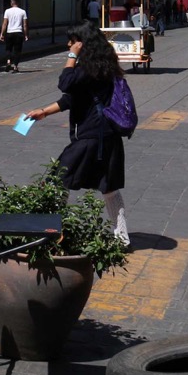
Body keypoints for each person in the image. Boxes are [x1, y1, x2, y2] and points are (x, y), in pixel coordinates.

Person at [24, 24, 129, 246]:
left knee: (57, 180)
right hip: (107, 137)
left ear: (83, 43)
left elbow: (65, 83)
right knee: (109, 188)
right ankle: (122, 238)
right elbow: (73, 98)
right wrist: (44, 112)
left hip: (92, 137)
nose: (68, 45)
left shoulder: (88, 69)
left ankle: (52, 233)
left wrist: (72, 56)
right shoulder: (103, 67)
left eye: (72, 41)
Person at [0, 0, 28, 73]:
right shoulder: (23, 12)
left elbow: (4, 23)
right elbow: (25, 25)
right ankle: (15, 66)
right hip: (18, 32)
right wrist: (25, 35)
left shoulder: (7, 11)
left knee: (8, 48)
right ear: (18, 3)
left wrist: (2, 34)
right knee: (17, 50)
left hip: (9, 32)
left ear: (11, 3)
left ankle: (8, 61)